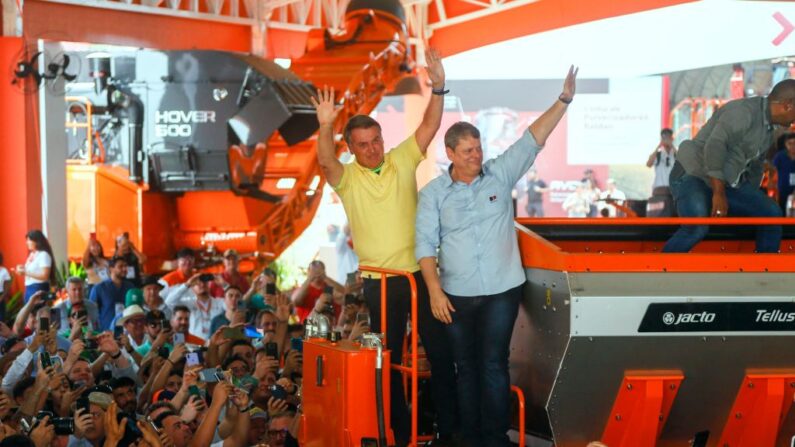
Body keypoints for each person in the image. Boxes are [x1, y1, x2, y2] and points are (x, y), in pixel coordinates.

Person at [416, 65, 577, 447]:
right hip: (454, 294)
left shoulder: (500, 174)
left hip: (502, 290)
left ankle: (496, 438)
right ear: (451, 153)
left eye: (479, 148)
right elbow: (424, 245)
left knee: (493, 364)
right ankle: (469, 438)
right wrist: (435, 292)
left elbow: (531, 139)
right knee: (465, 368)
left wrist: (564, 101)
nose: (476, 155)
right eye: (468, 150)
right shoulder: (434, 194)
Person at [311, 47, 457, 446]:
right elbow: (325, 164)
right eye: (363, 144)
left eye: (376, 140)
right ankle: (395, 430)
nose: (373, 149)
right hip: (381, 280)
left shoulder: (401, 158)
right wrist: (325, 125)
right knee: (388, 360)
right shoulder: (348, 179)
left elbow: (428, 128)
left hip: (421, 274)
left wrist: (439, 88)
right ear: (352, 148)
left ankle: (449, 431)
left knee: (442, 354)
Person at [662, 80, 795, 253]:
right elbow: (714, 147)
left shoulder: (769, 130)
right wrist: (718, 194)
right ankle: (658, 272)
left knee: (771, 214)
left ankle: (763, 273)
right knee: (697, 227)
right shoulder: (743, 112)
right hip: (693, 174)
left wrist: (750, 199)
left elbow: (755, 167)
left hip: (725, 181)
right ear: (787, 105)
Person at [89, 256, 134, 331]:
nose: (124, 269)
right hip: (106, 333)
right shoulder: (99, 288)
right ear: (111, 268)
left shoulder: (130, 287)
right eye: (120, 266)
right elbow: (91, 313)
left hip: (126, 332)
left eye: (126, 266)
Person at [17, 230, 55, 303]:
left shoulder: (44, 255)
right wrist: (22, 269)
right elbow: (31, 270)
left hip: (38, 288)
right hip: (29, 288)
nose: (27, 243)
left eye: (29, 240)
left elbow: (45, 275)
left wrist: (26, 272)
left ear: (37, 241)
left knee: (37, 312)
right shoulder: (32, 254)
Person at [772, 132, 795, 211]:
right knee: (783, 211)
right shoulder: (780, 156)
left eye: (794, 143)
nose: (792, 146)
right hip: (783, 190)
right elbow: (773, 169)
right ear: (786, 144)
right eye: (790, 143)